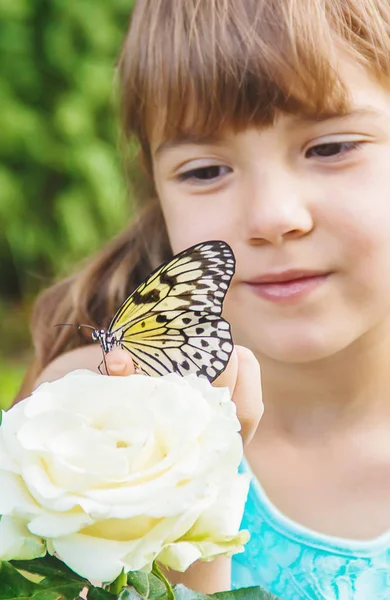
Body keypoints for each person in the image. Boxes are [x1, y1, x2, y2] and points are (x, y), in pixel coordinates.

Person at [17, 0, 390, 597]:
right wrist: (178, 513)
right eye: (204, 171)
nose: (272, 217)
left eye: (329, 148)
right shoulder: (85, 426)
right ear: (156, 191)